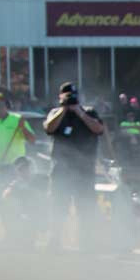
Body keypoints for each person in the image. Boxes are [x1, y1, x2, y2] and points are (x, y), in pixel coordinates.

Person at [43, 81, 105, 250]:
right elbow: (48, 128)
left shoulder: (89, 112)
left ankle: (86, 242)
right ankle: (54, 240)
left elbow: (99, 129)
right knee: (58, 205)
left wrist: (79, 112)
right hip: (61, 170)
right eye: (67, 96)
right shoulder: (55, 113)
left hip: (83, 169)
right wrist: (64, 110)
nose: (70, 99)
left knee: (85, 207)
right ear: (60, 97)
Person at [0, 92, 36, 234]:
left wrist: (22, 127)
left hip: (18, 168)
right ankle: (10, 232)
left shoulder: (17, 120)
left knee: (19, 200)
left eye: (0, 105)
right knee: (2, 202)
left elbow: (32, 140)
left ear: (6, 106)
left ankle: (23, 232)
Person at [0, 156, 46, 247]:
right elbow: (5, 196)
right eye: (20, 169)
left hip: (36, 214)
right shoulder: (16, 182)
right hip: (22, 213)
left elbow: (43, 197)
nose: (22, 172)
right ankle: (15, 235)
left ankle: (31, 235)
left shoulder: (41, 179)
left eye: (24, 169)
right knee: (11, 205)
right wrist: (12, 189)